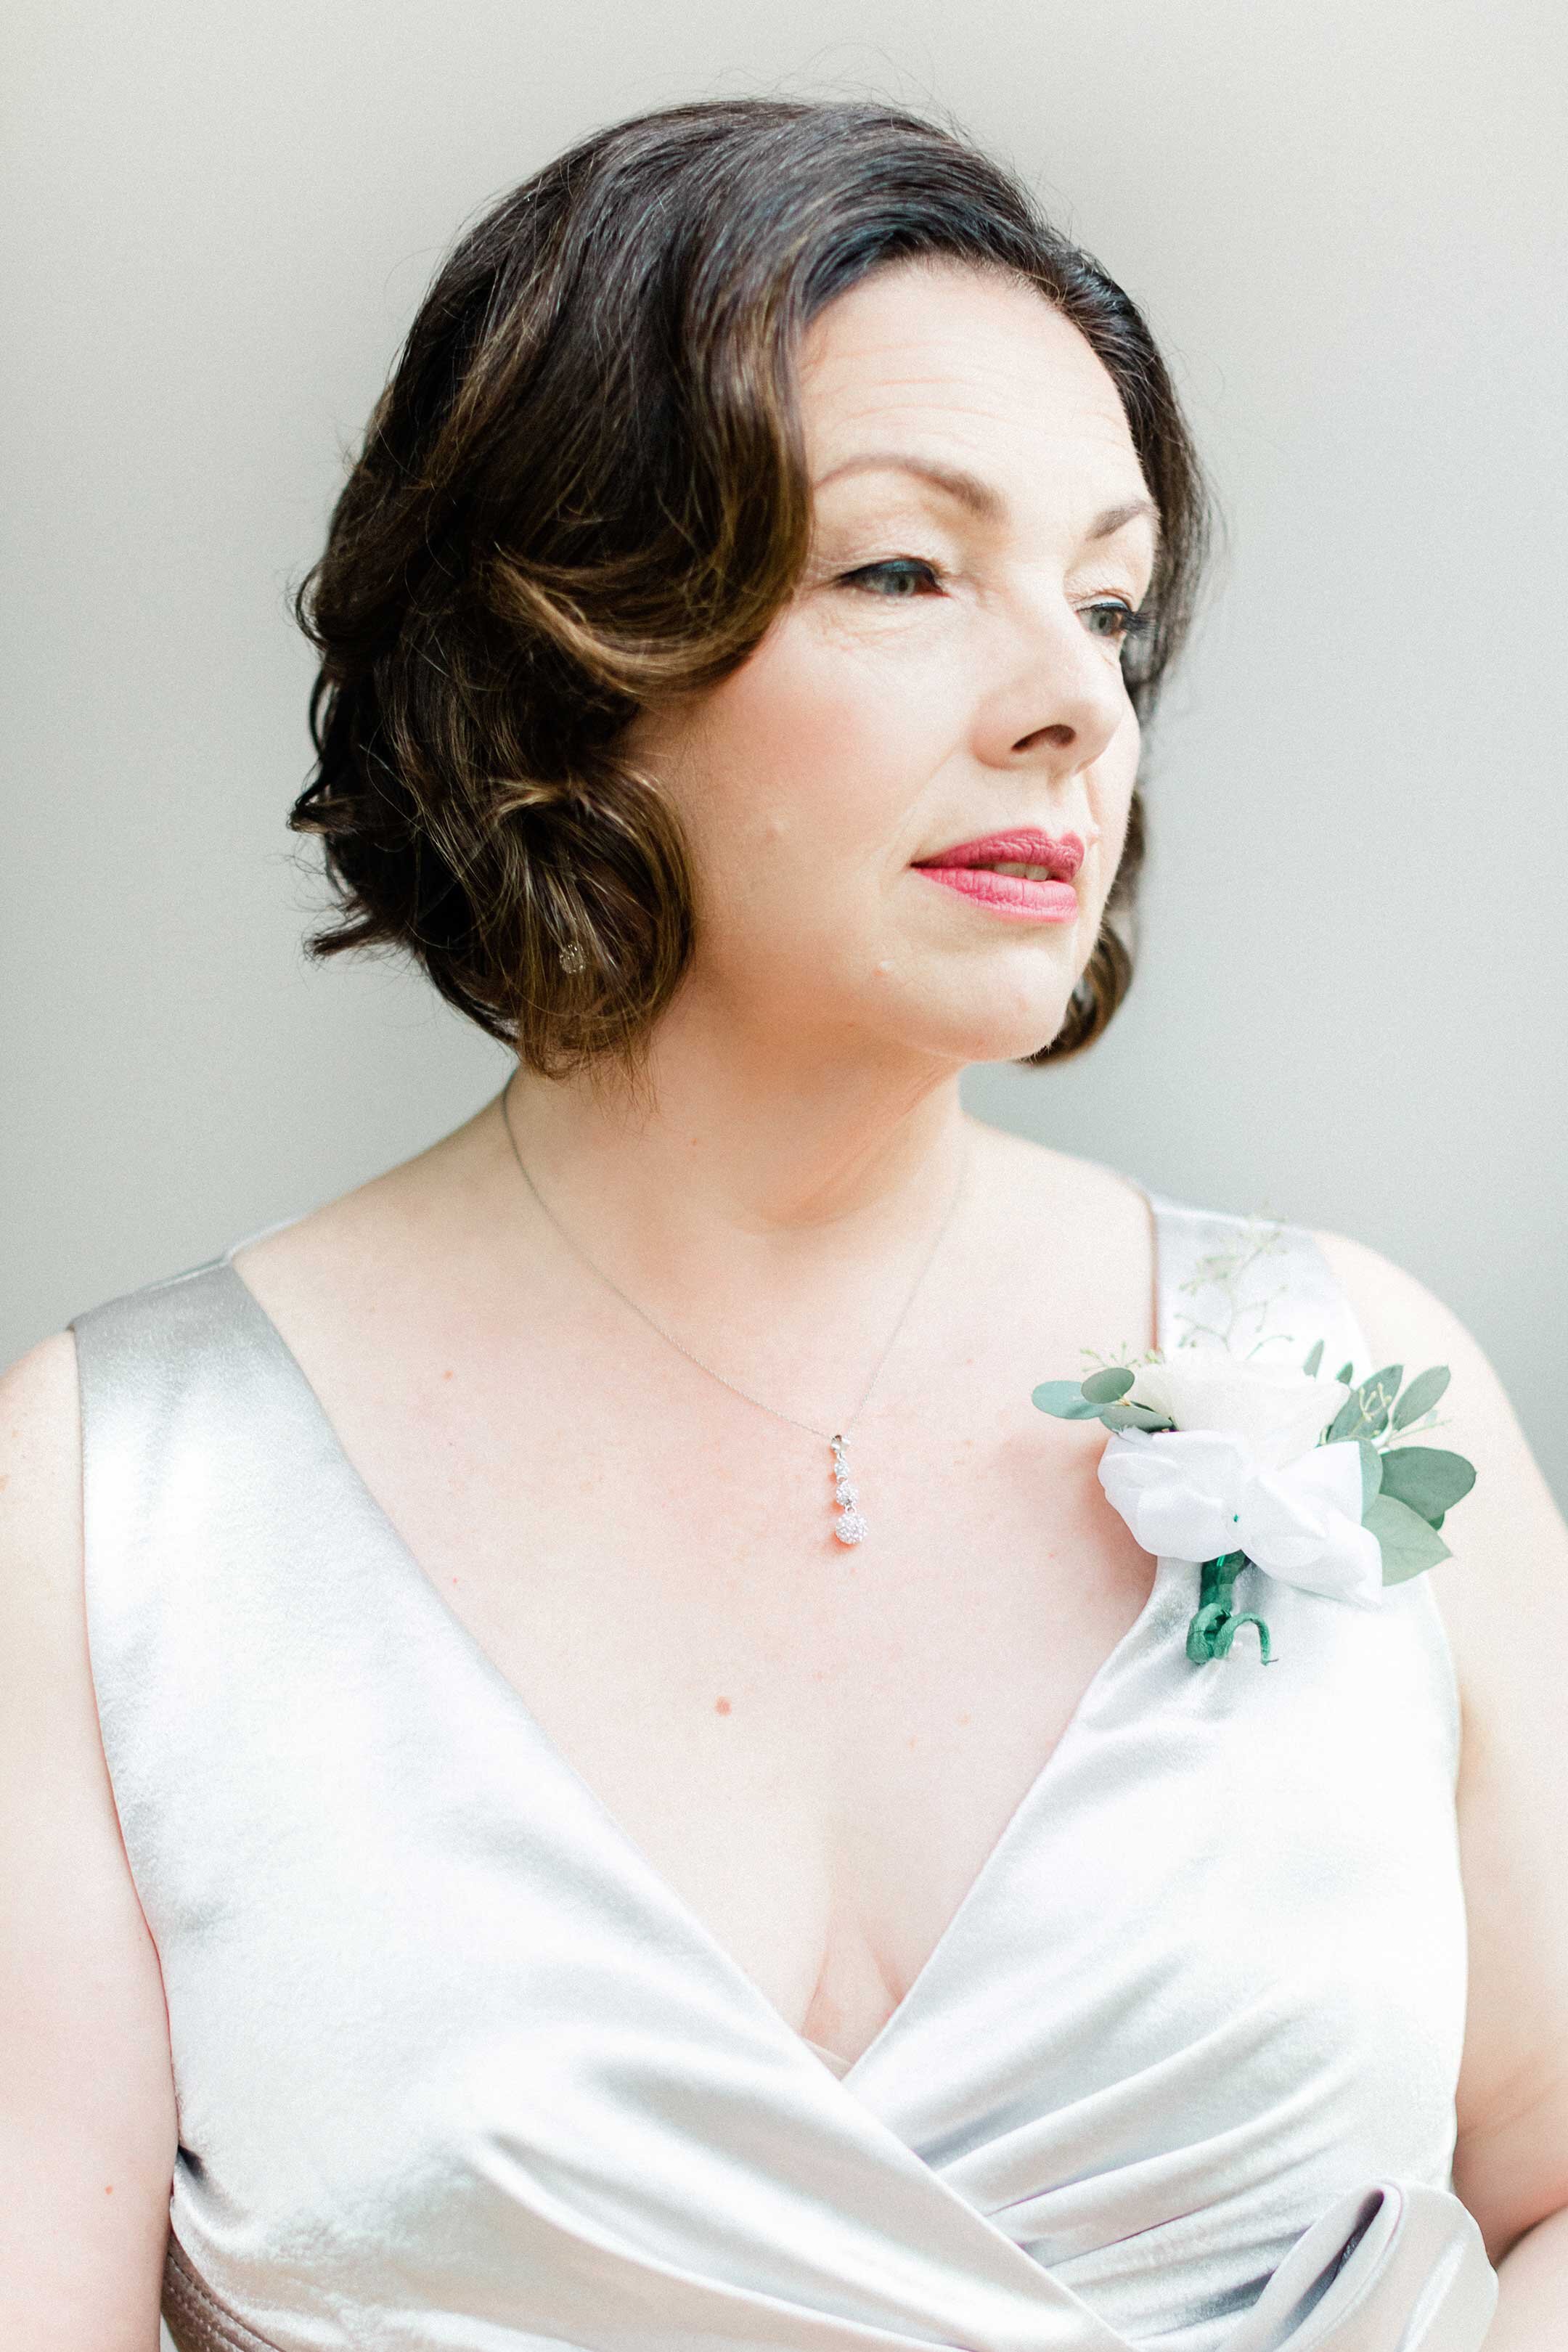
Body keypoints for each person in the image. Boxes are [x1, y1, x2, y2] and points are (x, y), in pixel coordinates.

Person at [2, 94, 1564, 2352]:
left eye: (1109, 604)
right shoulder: (117, 1505)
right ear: (567, 658)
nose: (1073, 705)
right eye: (904, 572)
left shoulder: (1363, 1388)